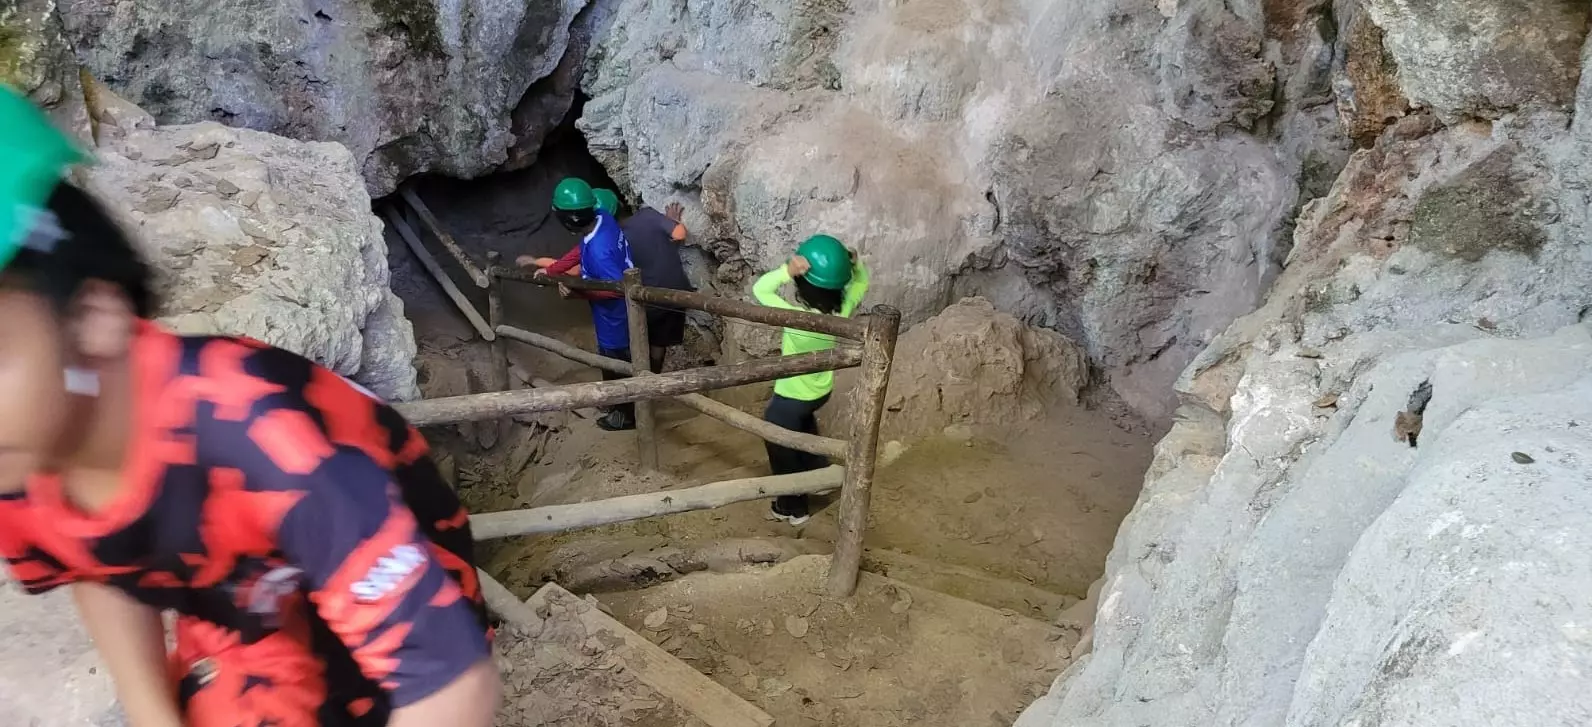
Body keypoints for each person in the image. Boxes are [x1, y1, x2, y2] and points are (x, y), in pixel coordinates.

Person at [0, 86, 500, 727]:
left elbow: (447, 685)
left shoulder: (263, 438)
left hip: (392, 598)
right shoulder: (22, 458)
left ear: (93, 317)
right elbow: (90, 557)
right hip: (246, 611)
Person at [752, 234, 870, 525]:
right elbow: (860, 284)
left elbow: (760, 289)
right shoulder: (840, 312)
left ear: (802, 284)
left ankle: (792, 506)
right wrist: (855, 266)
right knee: (802, 426)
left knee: (779, 441)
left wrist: (785, 271)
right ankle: (821, 474)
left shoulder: (797, 321)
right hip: (819, 391)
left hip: (792, 395)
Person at [518, 177, 638, 432]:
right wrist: (554, 270)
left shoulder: (600, 251)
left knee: (616, 364)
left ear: (568, 218)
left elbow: (616, 290)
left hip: (616, 320)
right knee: (614, 363)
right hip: (615, 315)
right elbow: (579, 249)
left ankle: (625, 415)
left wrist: (578, 295)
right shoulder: (602, 216)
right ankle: (617, 403)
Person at [594, 189, 694, 376]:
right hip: (677, 293)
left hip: (648, 299)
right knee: (659, 341)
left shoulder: (614, 240)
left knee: (638, 338)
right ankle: (653, 379)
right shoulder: (648, 216)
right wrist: (672, 222)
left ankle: (639, 382)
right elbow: (679, 234)